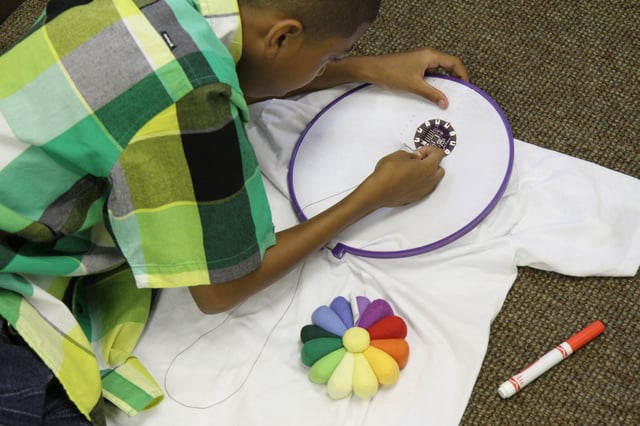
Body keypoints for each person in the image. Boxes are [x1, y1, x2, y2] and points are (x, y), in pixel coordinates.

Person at [0, 0, 468, 424]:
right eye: (327, 56)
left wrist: (361, 68)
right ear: (282, 36)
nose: (328, 65)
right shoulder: (190, 101)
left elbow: (222, 67)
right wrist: (370, 196)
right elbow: (222, 287)